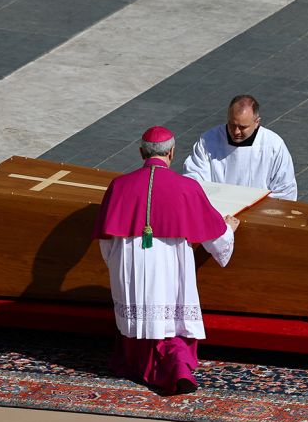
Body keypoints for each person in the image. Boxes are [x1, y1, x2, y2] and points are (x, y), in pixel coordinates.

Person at [93, 125, 239, 395]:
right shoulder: (186, 187)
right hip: (170, 266)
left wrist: (117, 266)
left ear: (140, 152)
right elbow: (215, 237)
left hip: (131, 265)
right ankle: (177, 369)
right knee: (169, 326)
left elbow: (106, 240)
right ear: (172, 152)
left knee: (140, 319)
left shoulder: (119, 186)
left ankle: (141, 365)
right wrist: (229, 228)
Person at [182, 95, 297, 200]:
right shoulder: (209, 140)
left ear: (257, 122)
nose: (236, 132)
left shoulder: (273, 145)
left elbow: (284, 189)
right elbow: (194, 179)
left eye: (242, 127)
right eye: (232, 125)